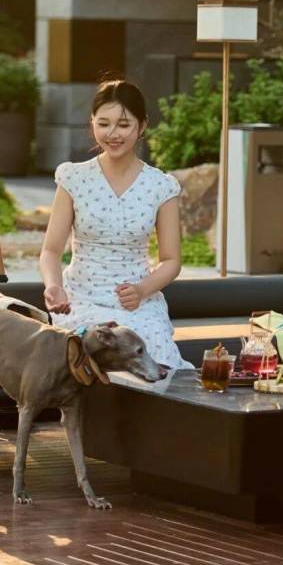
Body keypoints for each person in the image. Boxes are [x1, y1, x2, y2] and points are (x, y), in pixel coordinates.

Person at [39, 77, 194, 372]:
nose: (112, 134)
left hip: (137, 302)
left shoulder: (161, 186)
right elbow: (51, 251)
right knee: (87, 358)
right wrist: (54, 286)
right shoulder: (73, 178)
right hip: (80, 299)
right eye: (103, 124)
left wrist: (142, 289)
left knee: (153, 361)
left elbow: (171, 260)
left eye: (123, 125)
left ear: (142, 125)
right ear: (92, 122)